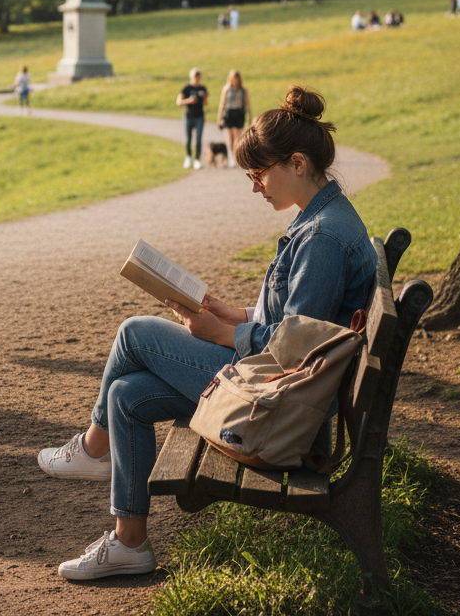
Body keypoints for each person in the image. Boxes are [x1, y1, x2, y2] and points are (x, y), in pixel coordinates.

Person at [37, 87, 377, 581]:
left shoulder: (323, 238)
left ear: (297, 164)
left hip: (278, 408)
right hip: (272, 391)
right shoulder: (318, 218)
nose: (255, 186)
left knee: (134, 333)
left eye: (259, 174)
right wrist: (234, 313)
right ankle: (129, 543)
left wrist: (218, 332)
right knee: (127, 394)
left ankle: (93, 449)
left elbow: (292, 352)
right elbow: (291, 320)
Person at [216, 69, 250, 167]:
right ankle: (232, 157)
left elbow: (247, 104)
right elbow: (222, 103)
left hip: (238, 113)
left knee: (237, 137)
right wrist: (219, 118)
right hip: (229, 114)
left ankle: (236, 156)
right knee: (230, 138)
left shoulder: (243, 90)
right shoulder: (226, 89)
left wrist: (249, 116)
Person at [176, 68, 208, 170]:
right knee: (188, 139)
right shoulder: (187, 88)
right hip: (188, 117)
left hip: (199, 117)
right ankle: (188, 157)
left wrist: (204, 98)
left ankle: (197, 159)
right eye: (195, 77)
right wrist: (189, 101)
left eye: (198, 77)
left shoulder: (202, 88)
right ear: (191, 77)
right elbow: (178, 102)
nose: (197, 79)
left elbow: (206, 103)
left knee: (198, 139)